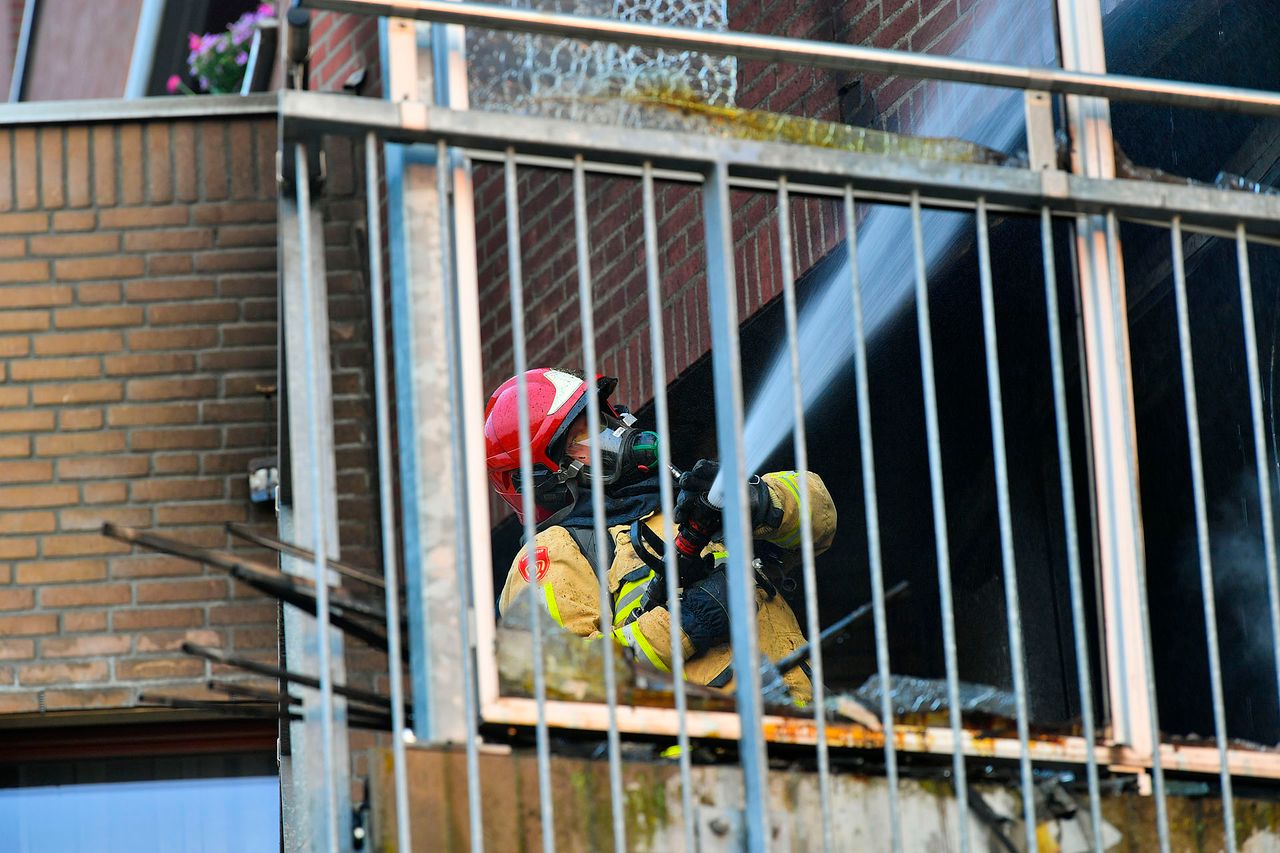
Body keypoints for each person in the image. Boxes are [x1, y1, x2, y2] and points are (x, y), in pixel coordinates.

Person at [483, 367, 837, 704]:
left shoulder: (683, 503)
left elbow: (821, 519)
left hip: (810, 736)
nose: (612, 434)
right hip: (696, 757)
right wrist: (686, 623)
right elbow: (562, 681)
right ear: (543, 480)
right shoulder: (555, 552)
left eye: (603, 420)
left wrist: (759, 500)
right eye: (583, 436)